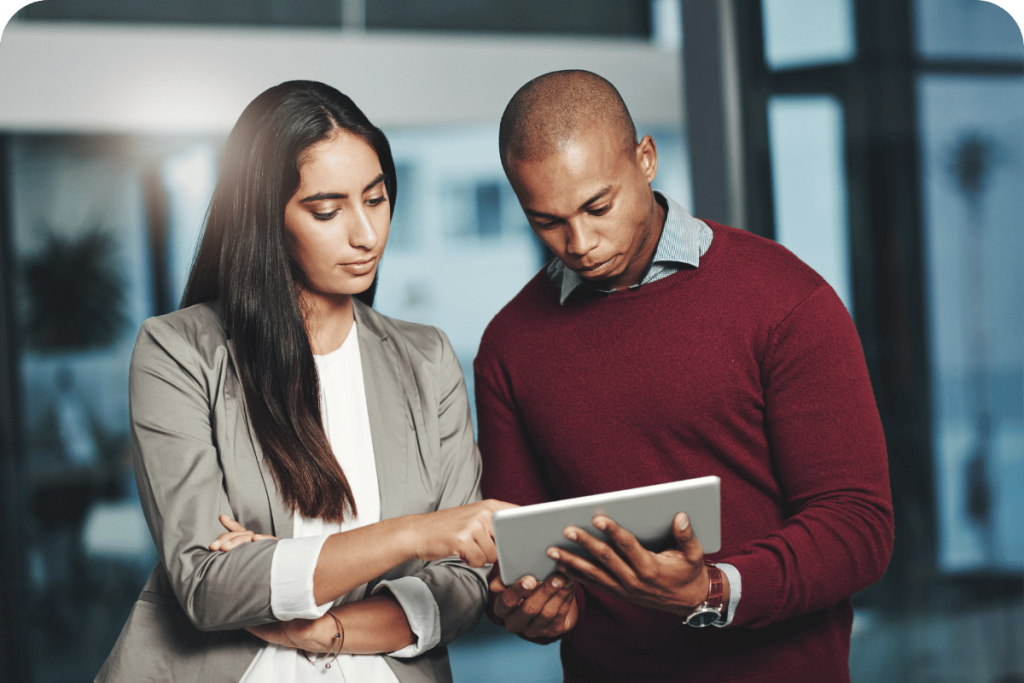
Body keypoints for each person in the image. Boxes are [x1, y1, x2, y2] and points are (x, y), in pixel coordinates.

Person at [474, 70, 894, 682]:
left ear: (645, 158)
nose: (581, 242)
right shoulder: (509, 345)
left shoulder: (783, 299)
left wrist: (714, 591)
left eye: (598, 206)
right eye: (547, 221)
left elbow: (858, 527)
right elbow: (522, 556)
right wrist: (526, 608)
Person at [96, 80, 511, 683]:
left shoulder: (426, 359)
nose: (366, 234)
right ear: (268, 218)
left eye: (376, 199)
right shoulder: (178, 351)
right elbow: (208, 585)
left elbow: (463, 585)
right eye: (327, 210)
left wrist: (320, 626)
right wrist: (415, 535)